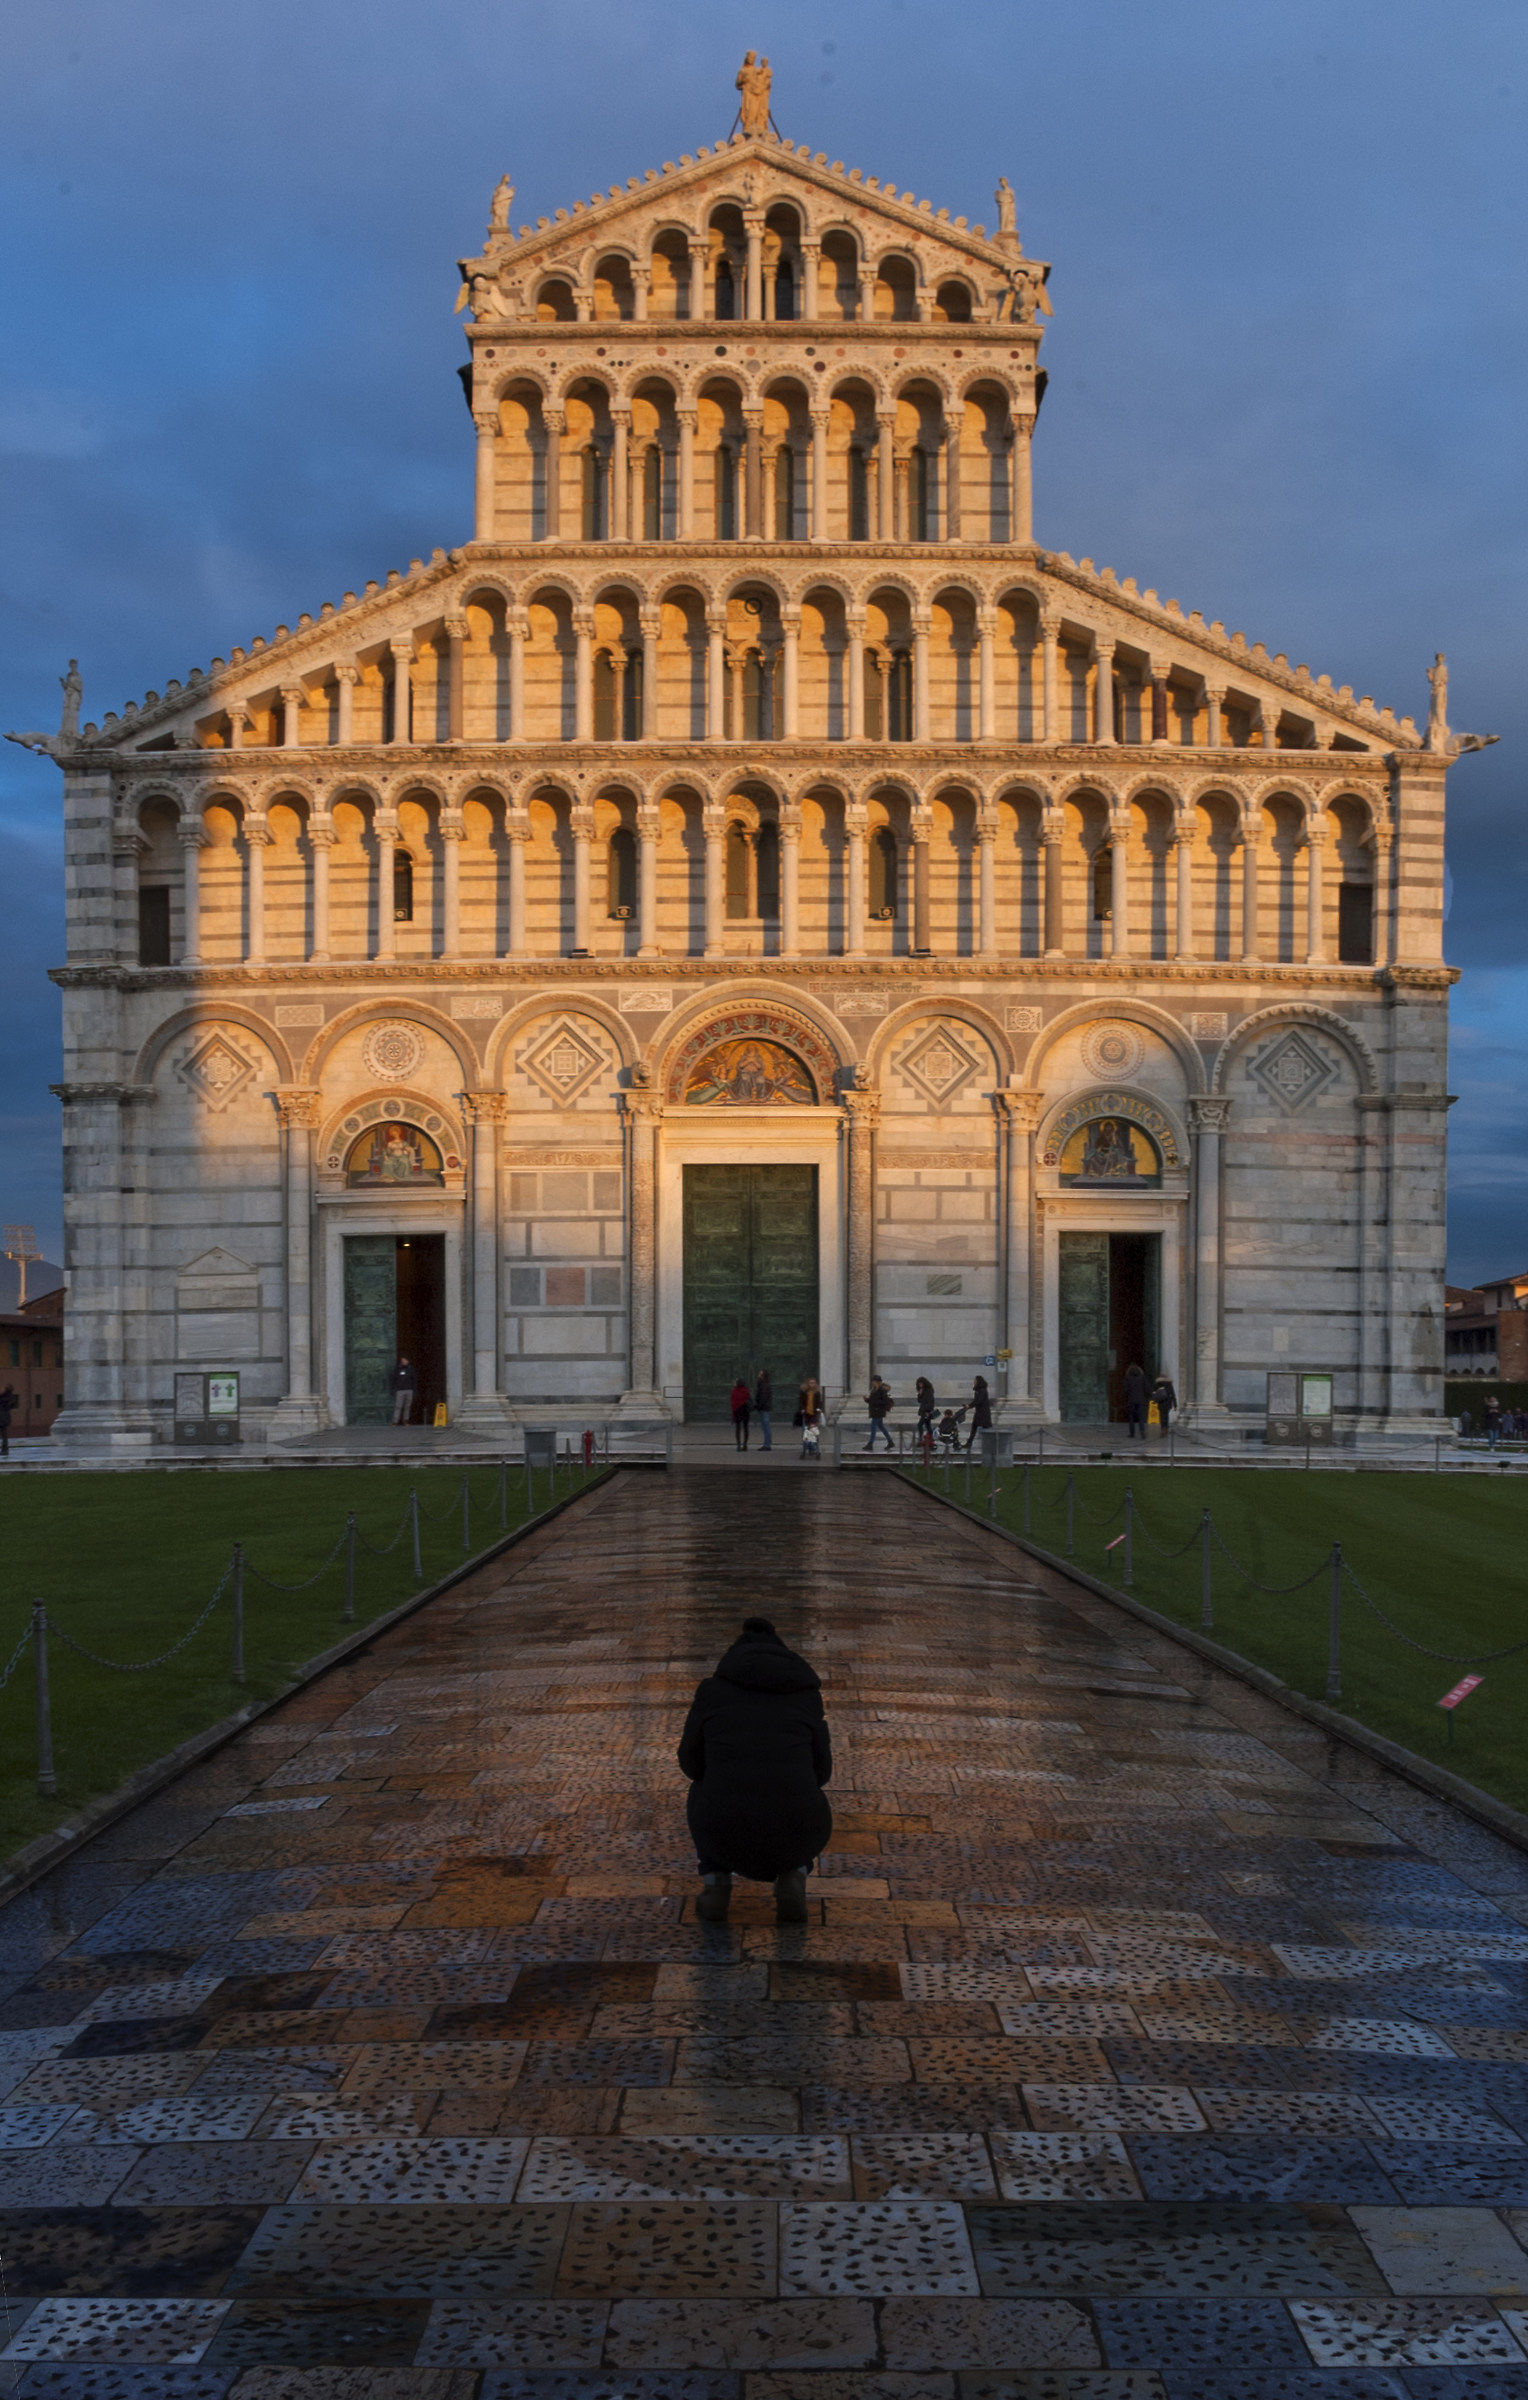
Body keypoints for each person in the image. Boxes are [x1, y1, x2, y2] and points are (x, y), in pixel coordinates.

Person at [679, 1614, 832, 1925]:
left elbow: (690, 1763)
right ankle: (794, 1876)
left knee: (702, 1788)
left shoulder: (711, 1692)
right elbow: (823, 1772)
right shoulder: (807, 1697)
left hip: (723, 1831)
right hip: (798, 1832)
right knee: (799, 1791)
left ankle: (716, 1883)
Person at [863, 1374, 894, 1452]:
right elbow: (872, 1401)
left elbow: (884, 1401)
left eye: (874, 1381)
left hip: (878, 1411)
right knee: (881, 1426)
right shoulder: (874, 1390)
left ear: (877, 1382)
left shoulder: (881, 1390)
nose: (872, 1383)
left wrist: (874, 1401)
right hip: (874, 1411)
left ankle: (870, 1444)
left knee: (873, 1427)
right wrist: (867, 1400)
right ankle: (890, 1441)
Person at [966, 1374, 994, 1453]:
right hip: (979, 1412)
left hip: (983, 1413)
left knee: (986, 1427)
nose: (974, 1382)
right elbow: (977, 1400)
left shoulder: (982, 1391)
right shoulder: (979, 1391)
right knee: (975, 1426)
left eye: (975, 1381)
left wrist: (970, 1405)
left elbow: (978, 1401)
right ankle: (969, 1442)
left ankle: (991, 1443)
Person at [388, 1357, 417, 1426]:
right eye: (402, 1361)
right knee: (398, 1406)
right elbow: (393, 1379)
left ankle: (406, 1420)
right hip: (400, 1390)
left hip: (409, 1390)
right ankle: (395, 1421)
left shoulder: (411, 1369)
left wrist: (414, 1390)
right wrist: (392, 1389)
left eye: (405, 1360)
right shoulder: (397, 1369)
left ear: (408, 1361)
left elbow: (414, 1380)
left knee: (407, 1406)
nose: (404, 1362)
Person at [1123, 1361, 1148, 1440]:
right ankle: (1142, 1432)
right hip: (1141, 1400)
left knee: (1131, 1417)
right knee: (1141, 1417)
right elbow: (1146, 1388)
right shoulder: (1142, 1377)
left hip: (1131, 1400)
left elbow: (1125, 1390)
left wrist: (1127, 1396)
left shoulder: (1127, 1378)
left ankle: (1132, 1433)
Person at [1151, 1371, 1177, 1440]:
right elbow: (1173, 1395)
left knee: (1162, 1417)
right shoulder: (1169, 1384)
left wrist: (1154, 1401)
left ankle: (1162, 1430)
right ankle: (1166, 1429)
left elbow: (1154, 1393)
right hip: (1168, 1403)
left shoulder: (1158, 1384)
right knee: (1166, 1416)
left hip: (1161, 1403)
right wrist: (1175, 1405)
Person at [729, 1376, 752, 1451]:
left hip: (737, 1411)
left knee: (738, 1428)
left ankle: (738, 1445)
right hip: (745, 1410)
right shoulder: (746, 1390)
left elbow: (732, 1402)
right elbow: (749, 1399)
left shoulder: (734, 1391)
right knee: (746, 1428)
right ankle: (745, 1444)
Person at [914, 1376, 936, 1450]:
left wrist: (928, 1411)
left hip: (926, 1411)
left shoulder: (929, 1390)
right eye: (919, 1384)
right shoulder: (922, 1390)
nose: (920, 1385)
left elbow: (930, 1401)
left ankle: (921, 1439)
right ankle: (931, 1438)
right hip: (923, 1410)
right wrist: (920, 1394)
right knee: (927, 1425)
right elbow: (920, 1401)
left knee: (920, 1424)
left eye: (921, 1383)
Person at [755, 1367, 773, 1452]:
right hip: (764, 1407)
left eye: (760, 1374)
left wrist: (758, 1406)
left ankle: (767, 1444)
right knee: (765, 1426)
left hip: (764, 1408)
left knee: (766, 1426)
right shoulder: (762, 1384)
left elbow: (763, 1397)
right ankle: (767, 1443)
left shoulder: (764, 1385)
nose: (758, 1375)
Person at [799, 1395, 822, 1459]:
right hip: (807, 1419)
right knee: (806, 1434)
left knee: (813, 1438)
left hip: (813, 1419)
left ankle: (811, 1450)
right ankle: (807, 1450)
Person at [0, 1384, 16, 1459]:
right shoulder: (11, 1397)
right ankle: (4, 1450)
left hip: (2, 1417)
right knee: (4, 1435)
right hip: (5, 1417)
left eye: (2, 1388)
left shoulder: (3, 1398)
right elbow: (11, 1406)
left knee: (4, 1435)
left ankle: (4, 1450)